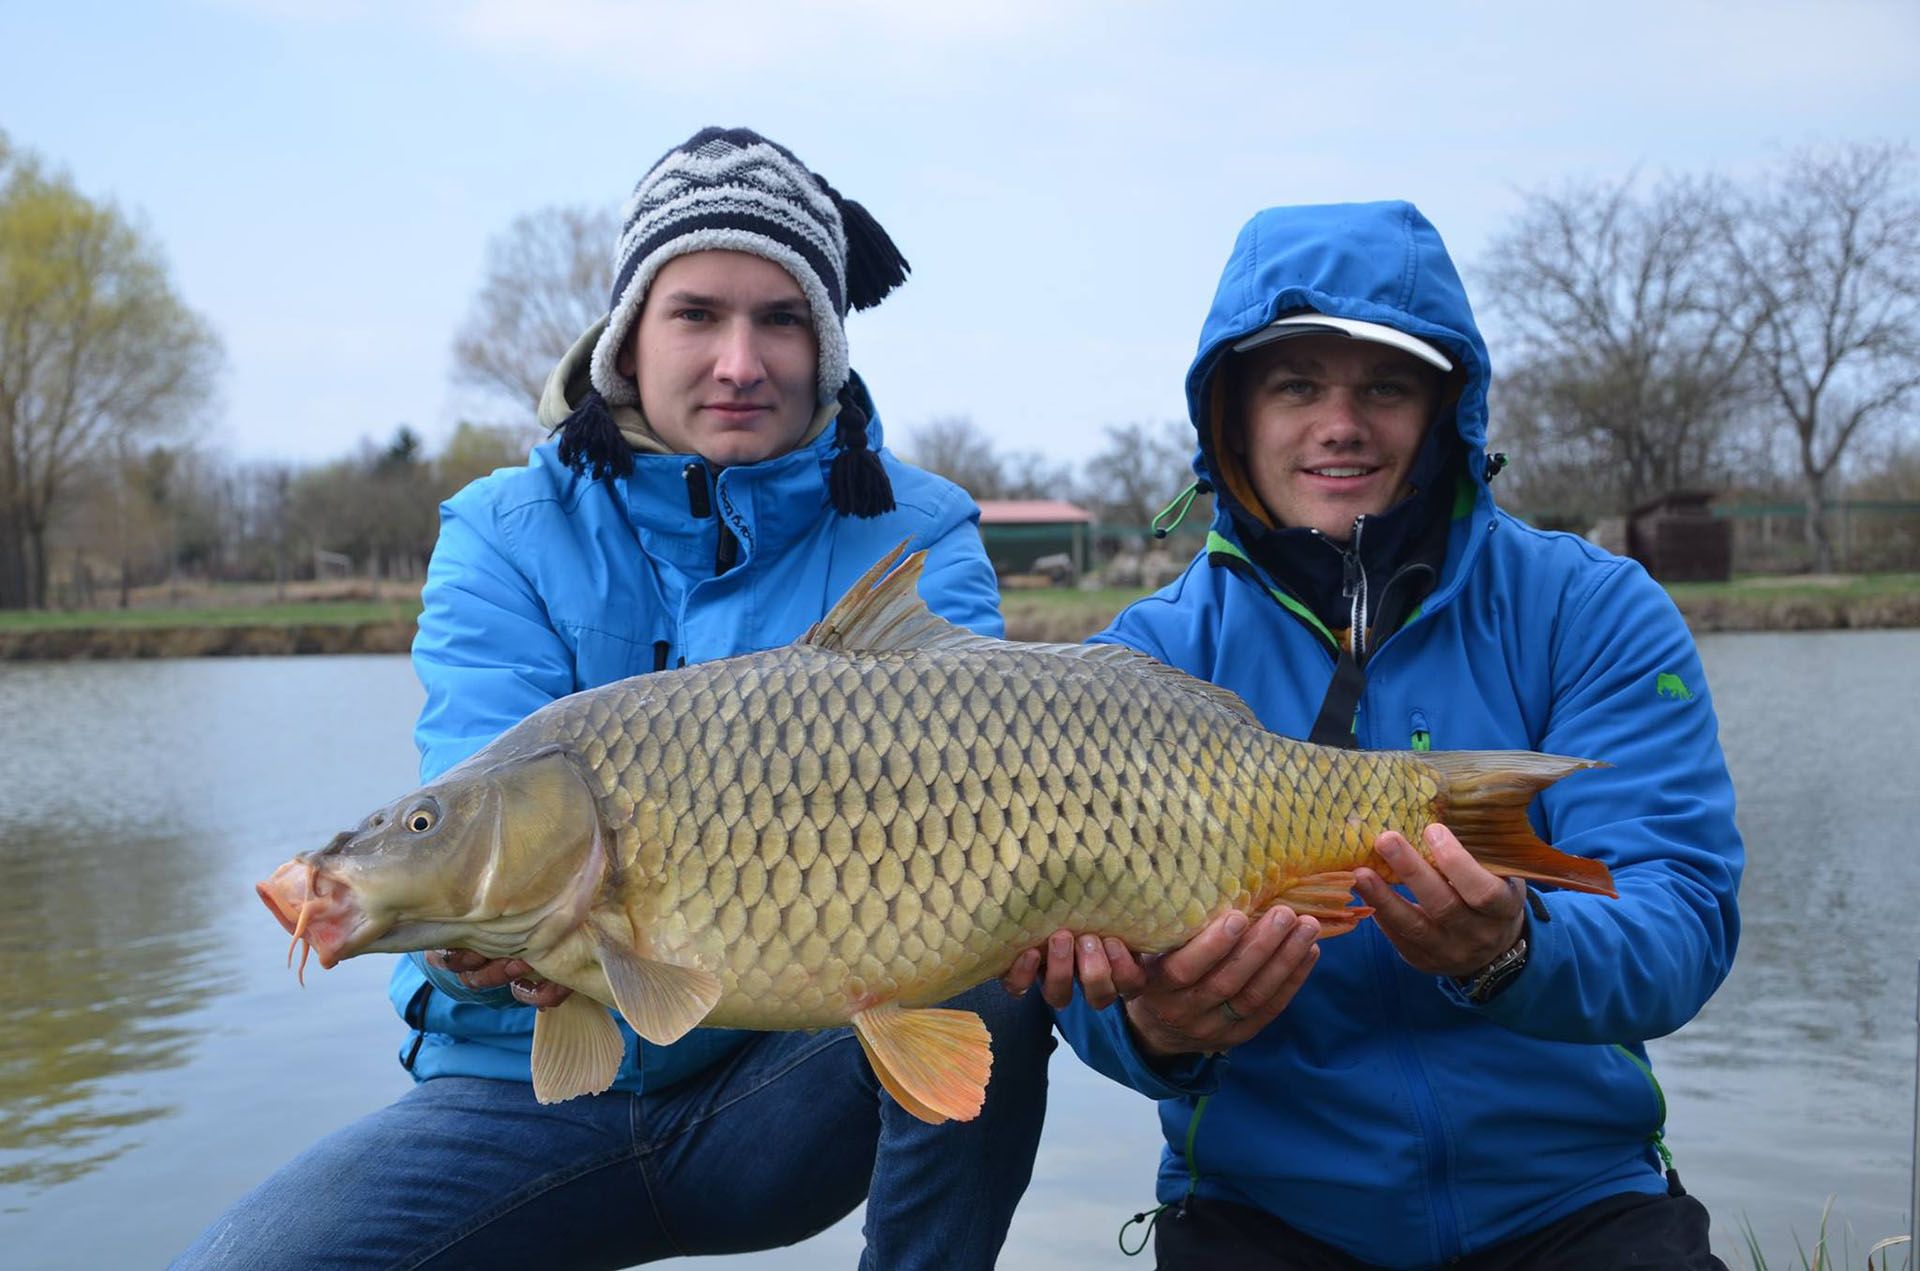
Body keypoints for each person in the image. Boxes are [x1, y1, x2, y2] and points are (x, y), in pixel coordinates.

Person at [176, 126, 1054, 1271]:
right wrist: (455, 938)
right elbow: (474, 797)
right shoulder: (499, 529)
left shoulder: (917, 527)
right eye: (697, 313)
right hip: (517, 1091)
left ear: (829, 345)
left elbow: (996, 808)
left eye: (781, 317)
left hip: (780, 1083)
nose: (741, 360)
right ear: (628, 335)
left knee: (998, 965)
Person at [1015, 200, 1744, 1269]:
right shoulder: (1140, 662)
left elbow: (1680, 921)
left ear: (1447, 409)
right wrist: (1156, 1028)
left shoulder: (1593, 608)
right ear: (1232, 411)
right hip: (1267, 1209)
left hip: (1575, 1198)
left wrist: (1514, 951)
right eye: (1297, 383)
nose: (1340, 422)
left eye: (1386, 385)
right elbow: (1071, 962)